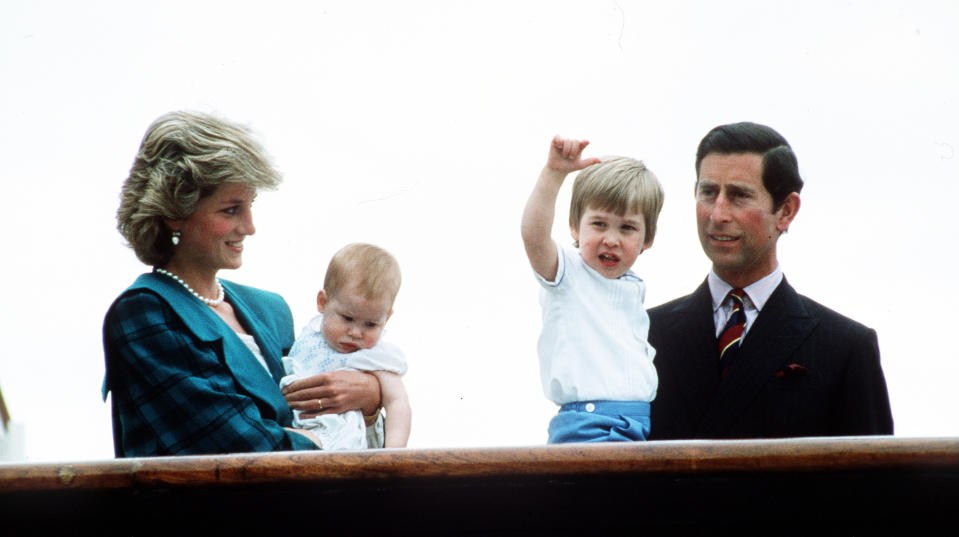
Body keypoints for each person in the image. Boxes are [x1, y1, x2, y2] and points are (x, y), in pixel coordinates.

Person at [102, 111, 381, 456]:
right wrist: (327, 443)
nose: (249, 227)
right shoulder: (144, 313)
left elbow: (323, 419)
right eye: (231, 210)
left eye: (250, 206)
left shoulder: (271, 310)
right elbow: (233, 445)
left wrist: (369, 398)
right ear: (175, 212)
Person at [647, 121, 894, 439]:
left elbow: (876, 485)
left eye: (739, 196)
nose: (718, 214)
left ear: (786, 211)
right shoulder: (642, 334)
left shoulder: (845, 348)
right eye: (708, 192)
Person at [521, 135, 664, 443]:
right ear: (575, 226)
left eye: (626, 228)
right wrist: (553, 174)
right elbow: (534, 235)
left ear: (647, 239)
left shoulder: (633, 287)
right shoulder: (568, 273)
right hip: (588, 423)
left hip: (638, 422)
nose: (611, 239)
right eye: (599, 224)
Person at [280, 243, 411, 450]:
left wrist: (394, 454)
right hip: (296, 422)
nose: (356, 333)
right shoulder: (311, 334)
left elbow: (398, 402)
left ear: (386, 318)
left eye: (371, 324)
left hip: (339, 441)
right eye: (347, 318)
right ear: (322, 302)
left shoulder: (375, 355)